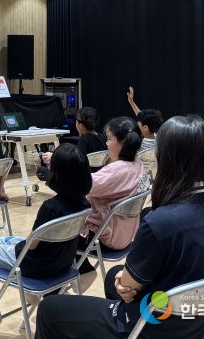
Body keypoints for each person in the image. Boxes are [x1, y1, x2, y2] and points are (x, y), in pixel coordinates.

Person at [35, 115, 204, 339]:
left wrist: (127, 284)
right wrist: (127, 284)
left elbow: (128, 283)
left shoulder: (159, 223)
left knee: (49, 309)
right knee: (113, 275)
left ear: (166, 159)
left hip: (151, 326)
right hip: (196, 326)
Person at [0, 143, 92, 325]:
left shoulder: (51, 207)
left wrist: (26, 241)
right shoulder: (84, 204)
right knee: (2, 240)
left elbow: (31, 244)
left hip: (36, 265)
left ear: (56, 173)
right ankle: (31, 295)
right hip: (61, 260)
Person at [76, 117, 147, 287]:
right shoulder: (138, 164)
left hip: (105, 237)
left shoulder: (118, 171)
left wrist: (58, 163)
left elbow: (83, 185)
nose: (106, 144)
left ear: (123, 142)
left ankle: (82, 271)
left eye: (109, 139)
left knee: (59, 228)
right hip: (127, 234)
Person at [37, 106, 106, 180]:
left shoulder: (84, 140)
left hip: (83, 177)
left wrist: (53, 157)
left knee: (41, 171)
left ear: (80, 125)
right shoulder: (103, 137)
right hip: (99, 174)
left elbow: (75, 161)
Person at [126, 86, 163, 178]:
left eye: (139, 123)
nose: (138, 123)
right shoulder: (160, 139)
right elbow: (141, 117)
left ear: (145, 127)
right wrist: (131, 102)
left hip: (144, 178)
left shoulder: (140, 144)